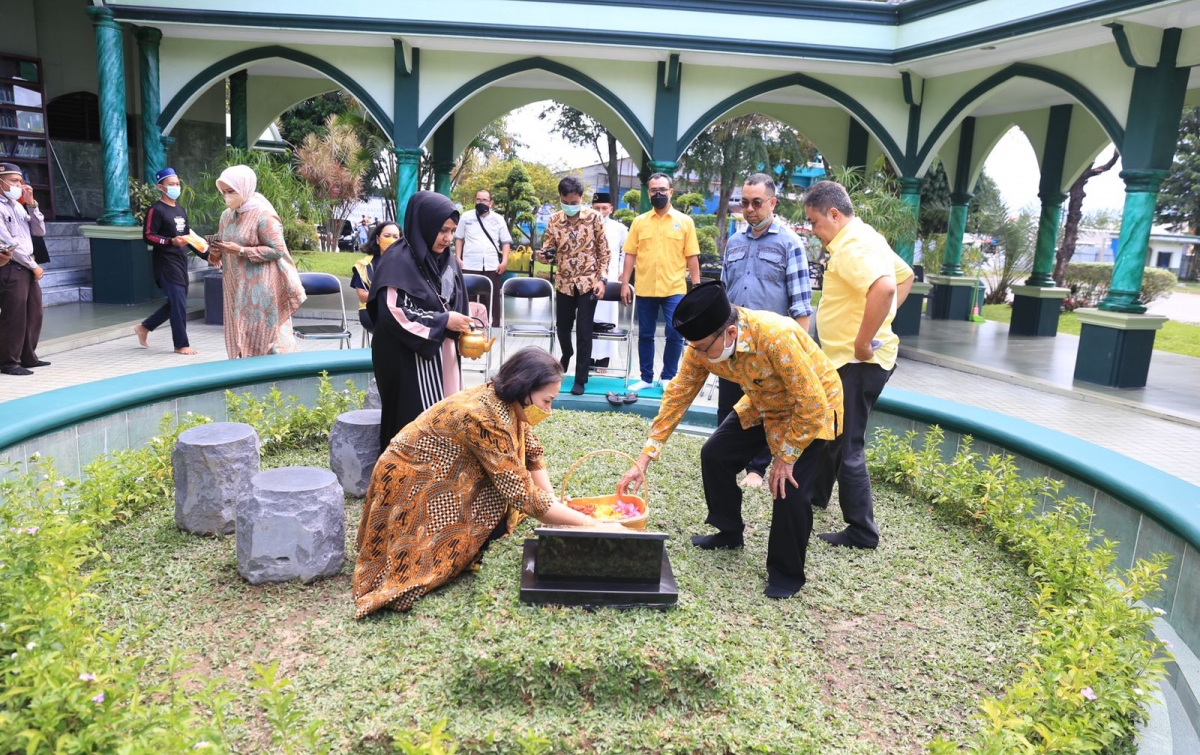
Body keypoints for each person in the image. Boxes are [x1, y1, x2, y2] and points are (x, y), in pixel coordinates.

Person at [618, 281, 842, 599]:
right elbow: (678, 395)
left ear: (731, 334)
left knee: (787, 487)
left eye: (703, 349)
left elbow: (813, 403)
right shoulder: (702, 346)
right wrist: (645, 457)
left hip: (811, 410)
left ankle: (786, 574)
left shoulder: (775, 335)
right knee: (715, 453)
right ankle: (729, 531)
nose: (697, 356)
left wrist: (785, 456)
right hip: (763, 399)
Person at [353, 347, 600, 617]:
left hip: (438, 471)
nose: (549, 411)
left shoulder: (508, 402)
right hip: (410, 481)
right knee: (421, 567)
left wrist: (552, 502)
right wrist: (590, 524)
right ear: (524, 388)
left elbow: (532, 453)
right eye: (547, 401)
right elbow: (521, 494)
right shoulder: (482, 416)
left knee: (496, 519)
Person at [804, 180, 913, 549]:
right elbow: (905, 276)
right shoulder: (868, 235)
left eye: (815, 222)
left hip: (858, 360)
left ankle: (862, 531)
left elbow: (885, 288)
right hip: (848, 360)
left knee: (848, 444)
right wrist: (883, 320)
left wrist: (865, 339)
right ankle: (816, 495)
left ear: (834, 214)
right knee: (834, 430)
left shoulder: (851, 245)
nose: (814, 231)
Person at [721, 173, 815, 490]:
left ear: (772, 203)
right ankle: (726, 459)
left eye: (756, 203)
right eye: (744, 202)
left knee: (766, 407)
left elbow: (802, 305)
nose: (749, 209)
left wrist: (799, 352)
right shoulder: (733, 243)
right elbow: (724, 293)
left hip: (770, 347)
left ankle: (756, 468)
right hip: (733, 343)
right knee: (731, 404)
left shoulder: (790, 244)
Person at [367, 191, 472, 451]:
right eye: (442, 230)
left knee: (446, 411)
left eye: (452, 231)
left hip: (442, 352)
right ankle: (405, 478)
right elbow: (392, 311)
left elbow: (458, 298)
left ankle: (440, 474)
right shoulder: (397, 261)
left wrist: (463, 331)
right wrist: (444, 320)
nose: (447, 238)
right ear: (423, 224)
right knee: (412, 419)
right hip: (405, 358)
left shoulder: (448, 260)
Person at [206, 165, 306, 359]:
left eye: (231, 191)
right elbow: (221, 248)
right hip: (235, 284)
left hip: (261, 285)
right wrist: (215, 251)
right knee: (239, 331)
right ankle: (245, 379)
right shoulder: (226, 216)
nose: (227, 196)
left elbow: (277, 250)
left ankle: (274, 381)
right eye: (224, 192)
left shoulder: (264, 215)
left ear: (245, 188)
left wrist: (242, 250)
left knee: (265, 336)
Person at [618, 172, 700, 393]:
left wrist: (698, 287)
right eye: (654, 190)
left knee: (675, 333)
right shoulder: (639, 222)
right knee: (645, 334)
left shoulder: (685, 222)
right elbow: (630, 254)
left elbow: (692, 256)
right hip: (645, 288)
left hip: (675, 288)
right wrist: (625, 283)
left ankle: (667, 377)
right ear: (648, 193)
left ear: (671, 192)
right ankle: (645, 377)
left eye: (663, 190)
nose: (658, 194)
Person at [538, 176, 609, 395]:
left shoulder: (595, 218)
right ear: (560, 198)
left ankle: (581, 378)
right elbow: (547, 248)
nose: (570, 206)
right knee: (562, 327)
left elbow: (604, 251)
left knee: (584, 332)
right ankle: (566, 353)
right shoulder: (554, 220)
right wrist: (543, 256)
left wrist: (602, 279)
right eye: (566, 202)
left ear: (581, 198)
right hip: (564, 283)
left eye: (574, 202)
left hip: (589, 283)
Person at [135, 167, 206, 355]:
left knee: (177, 302)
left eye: (177, 183)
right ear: (161, 187)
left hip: (180, 261)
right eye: (171, 184)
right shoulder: (156, 210)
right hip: (165, 263)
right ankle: (181, 344)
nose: (176, 187)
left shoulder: (180, 210)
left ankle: (145, 327)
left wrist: (208, 256)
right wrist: (169, 241)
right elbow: (148, 236)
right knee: (179, 303)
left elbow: (188, 236)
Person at [0, 163, 48, 376]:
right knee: (14, 316)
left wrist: (32, 205)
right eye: (14, 181)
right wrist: (33, 265)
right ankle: (9, 362)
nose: (20, 185)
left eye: (20, 181)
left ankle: (28, 356)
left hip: (27, 266)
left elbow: (39, 231)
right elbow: (8, 243)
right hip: (12, 266)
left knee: (34, 312)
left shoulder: (18, 206)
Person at [455, 188, 511, 327]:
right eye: (478, 200)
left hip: (492, 264)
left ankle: (494, 325)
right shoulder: (466, 217)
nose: (481, 202)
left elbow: (505, 242)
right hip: (469, 264)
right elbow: (459, 238)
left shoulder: (498, 219)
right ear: (474, 201)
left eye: (485, 200)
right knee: (469, 296)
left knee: (491, 297)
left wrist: (504, 261)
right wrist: (458, 258)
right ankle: (468, 324)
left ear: (491, 203)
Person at [590, 190, 628, 371]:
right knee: (588, 320)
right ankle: (588, 359)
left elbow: (627, 251)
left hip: (611, 279)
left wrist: (622, 270)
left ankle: (604, 361)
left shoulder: (619, 228)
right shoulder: (586, 225)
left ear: (611, 209)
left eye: (604, 208)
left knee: (608, 321)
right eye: (597, 208)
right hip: (588, 280)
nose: (600, 211)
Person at [350, 221, 400, 334]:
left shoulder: (406, 264)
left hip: (400, 309)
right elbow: (362, 296)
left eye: (395, 237)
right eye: (387, 236)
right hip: (371, 309)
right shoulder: (365, 265)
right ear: (378, 239)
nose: (391, 240)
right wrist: (385, 297)